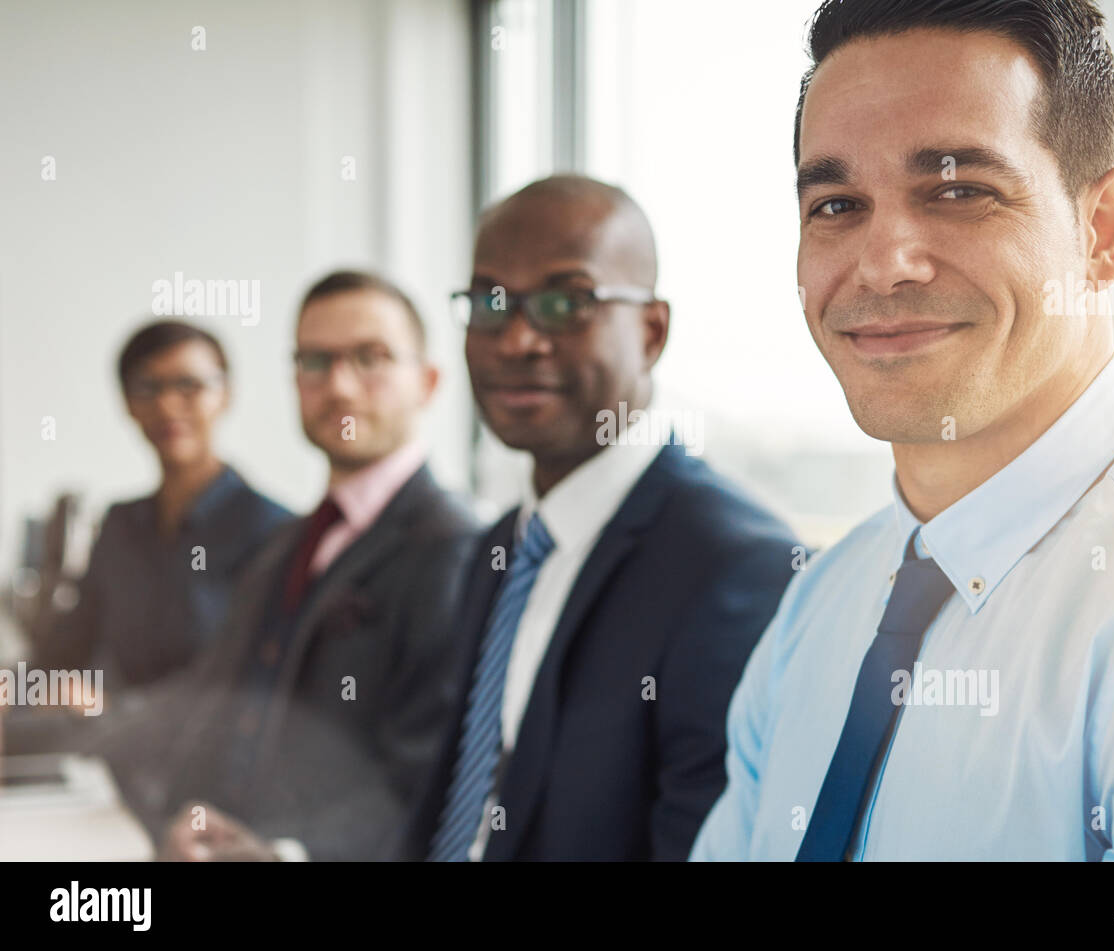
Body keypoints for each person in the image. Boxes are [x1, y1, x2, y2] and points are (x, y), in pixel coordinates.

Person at [692, 0, 1114, 862]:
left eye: (958, 190)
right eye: (836, 205)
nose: (881, 260)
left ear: (1104, 230)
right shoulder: (818, 605)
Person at [398, 175, 800, 861]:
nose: (518, 339)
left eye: (565, 302)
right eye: (491, 301)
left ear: (651, 330)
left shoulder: (734, 565)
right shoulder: (501, 547)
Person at [106, 270, 481, 861]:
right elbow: (212, 703)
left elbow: (431, 777)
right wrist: (182, 819)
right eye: (315, 362)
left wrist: (286, 854)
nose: (340, 387)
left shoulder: (456, 550)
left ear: (428, 382)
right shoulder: (287, 547)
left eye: (371, 358)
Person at [27, 320, 291, 689]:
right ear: (128, 404)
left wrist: (109, 710)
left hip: (203, 741)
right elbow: (61, 655)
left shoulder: (274, 532)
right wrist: (34, 690)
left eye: (189, 385)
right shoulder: (120, 524)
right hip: (108, 737)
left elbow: (253, 688)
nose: (167, 405)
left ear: (225, 395)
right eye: (148, 387)